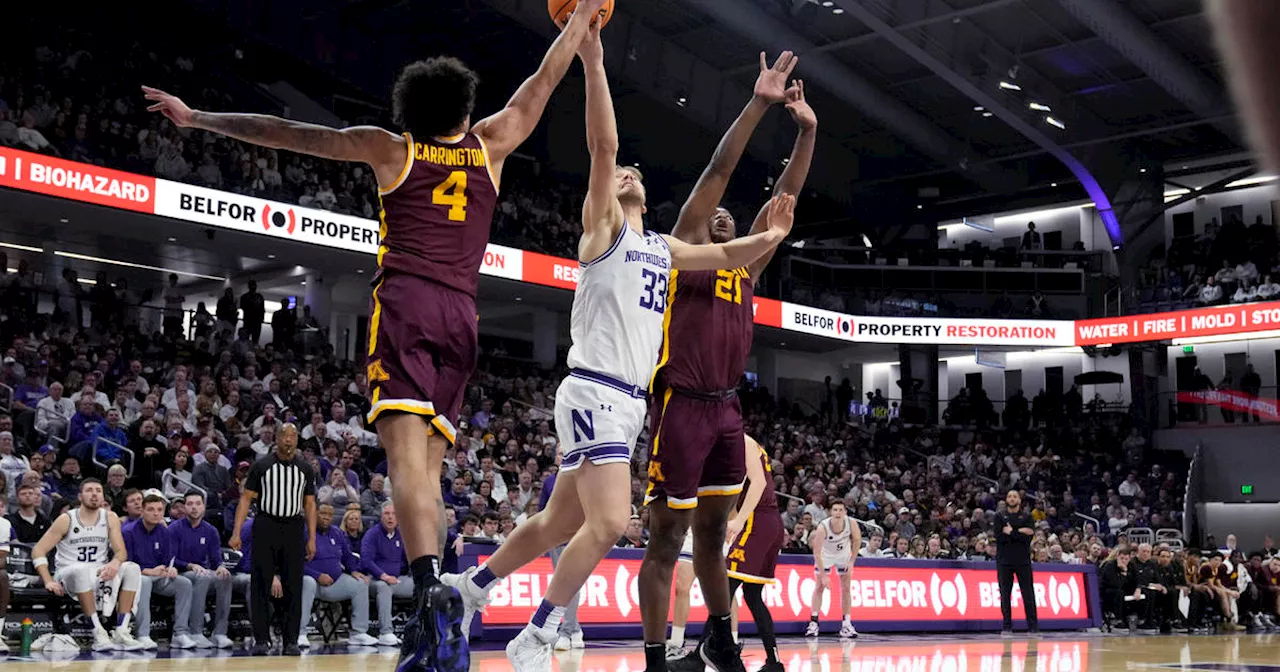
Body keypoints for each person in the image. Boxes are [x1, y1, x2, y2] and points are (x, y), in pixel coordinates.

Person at [146, 5, 607, 670]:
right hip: (463, 317)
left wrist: (199, 118)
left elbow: (287, 132)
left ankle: (427, 598)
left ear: (409, 107)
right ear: (464, 104)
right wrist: (580, 26)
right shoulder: (492, 144)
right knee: (434, 472)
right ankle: (441, 599)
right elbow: (542, 79)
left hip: (409, 304)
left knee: (405, 469)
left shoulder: (392, 148)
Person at [442, 24, 796, 672]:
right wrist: (596, 60)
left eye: (635, 170)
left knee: (556, 524)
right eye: (622, 171)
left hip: (628, 403)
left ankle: (470, 588)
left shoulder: (663, 248)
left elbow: (728, 252)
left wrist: (772, 233)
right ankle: (539, 631)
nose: (627, 169)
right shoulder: (603, 229)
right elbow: (603, 145)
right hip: (597, 388)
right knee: (608, 524)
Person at [640, 48, 813, 672]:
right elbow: (717, 170)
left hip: (726, 412)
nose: (719, 212)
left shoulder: (746, 266)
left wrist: (807, 131)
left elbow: (785, 199)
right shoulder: (684, 250)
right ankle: (657, 656)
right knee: (666, 539)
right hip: (680, 404)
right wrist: (758, 104)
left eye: (730, 216)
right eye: (710, 213)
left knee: (712, 536)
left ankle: (720, 640)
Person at [676, 436, 784, 672]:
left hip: (757, 521)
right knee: (752, 595)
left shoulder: (743, 443)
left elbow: (759, 484)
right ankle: (774, 662)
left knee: (723, 591)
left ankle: (698, 657)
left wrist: (738, 522)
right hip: (770, 521)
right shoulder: (739, 448)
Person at [231, 423, 317, 655]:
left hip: (293, 526)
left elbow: (309, 504)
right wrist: (237, 532)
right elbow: (246, 499)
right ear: (277, 439)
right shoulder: (262, 465)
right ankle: (261, 639)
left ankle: (291, 640)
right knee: (260, 583)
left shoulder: (305, 468)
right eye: (284, 435)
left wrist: (312, 538)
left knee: (293, 585)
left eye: (293, 436)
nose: (288, 440)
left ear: (297, 440)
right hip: (266, 524)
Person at [31, 478, 145, 651]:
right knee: (81, 570)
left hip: (98, 571)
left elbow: (121, 552)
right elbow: (38, 550)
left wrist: (114, 563)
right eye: (89, 490)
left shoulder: (110, 517)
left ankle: (121, 631)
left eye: (98, 491)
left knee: (132, 568)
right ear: (80, 496)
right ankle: (97, 632)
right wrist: (48, 580)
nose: (94, 494)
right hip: (68, 573)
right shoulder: (66, 519)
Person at [301, 503, 381, 647]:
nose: (326, 517)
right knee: (308, 582)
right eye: (322, 513)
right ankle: (300, 633)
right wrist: (317, 575)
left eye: (329, 515)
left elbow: (347, 556)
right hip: (312, 582)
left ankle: (358, 633)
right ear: (314, 514)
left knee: (361, 584)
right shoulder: (304, 532)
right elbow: (295, 563)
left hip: (335, 582)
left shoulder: (337, 533)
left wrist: (353, 570)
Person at [125, 492, 196, 649]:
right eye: (151, 509)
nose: (156, 513)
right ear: (142, 511)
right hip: (136, 577)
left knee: (184, 583)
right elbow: (126, 564)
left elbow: (168, 558)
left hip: (159, 576)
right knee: (144, 582)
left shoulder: (165, 531)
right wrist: (148, 571)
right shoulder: (128, 531)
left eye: (159, 510)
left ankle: (180, 633)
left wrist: (171, 569)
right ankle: (142, 634)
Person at [173, 491, 234, 647]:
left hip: (202, 572)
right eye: (190, 504)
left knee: (225, 577)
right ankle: (196, 632)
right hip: (180, 572)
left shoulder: (211, 530)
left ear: (204, 507)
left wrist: (220, 566)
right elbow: (171, 559)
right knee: (203, 576)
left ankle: (220, 633)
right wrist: (190, 565)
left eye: (198, 504)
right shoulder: (174, 528)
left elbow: (215, 558)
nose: (194, 508)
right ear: (184, 507)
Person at [806, 501, 859, 638]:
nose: (838, 512)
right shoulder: (823, 526)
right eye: (835, 510)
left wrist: (852, 561)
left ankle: (846, 624)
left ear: (845, 512)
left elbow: (857, 541)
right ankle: (814, 623)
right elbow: (816, 552)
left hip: (843, 555)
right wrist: (824, 575)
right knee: (819, 587)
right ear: (831, 512)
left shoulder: (851, 523)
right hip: (826, 555)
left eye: (841, 510)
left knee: (846, 587)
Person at [363, 502, 412, 647]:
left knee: (421, 587)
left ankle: (421, 630)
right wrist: (383, 576)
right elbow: (366, 561)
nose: (391, 517)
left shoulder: (401, 535)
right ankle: (386, 632)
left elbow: (407, 559)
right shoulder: (372, 534)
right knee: (383, 587)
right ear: (381, 516)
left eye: (394, 514)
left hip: (396, 579)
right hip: (375, 579)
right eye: (387, 514)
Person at [994, 490, 1039, 635]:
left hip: (1023, 560)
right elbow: (1000, 537)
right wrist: (1020, 532)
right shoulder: (999, 517)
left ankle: (1033, 627)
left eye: (1014, 496)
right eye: (1009, 496)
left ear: (1019, 500)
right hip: (1004, 561)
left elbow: (1028, 538)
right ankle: (1007, 626)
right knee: (1005, 594)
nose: (1011, 498)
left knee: (1028, 594)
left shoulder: (1027, 516)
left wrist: (1012, 532)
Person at [664, 533, 695, 657]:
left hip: (720, 529)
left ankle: (730, 642)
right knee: (681, 586)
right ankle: (676, 644)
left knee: (726, 590)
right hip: (695, 533)